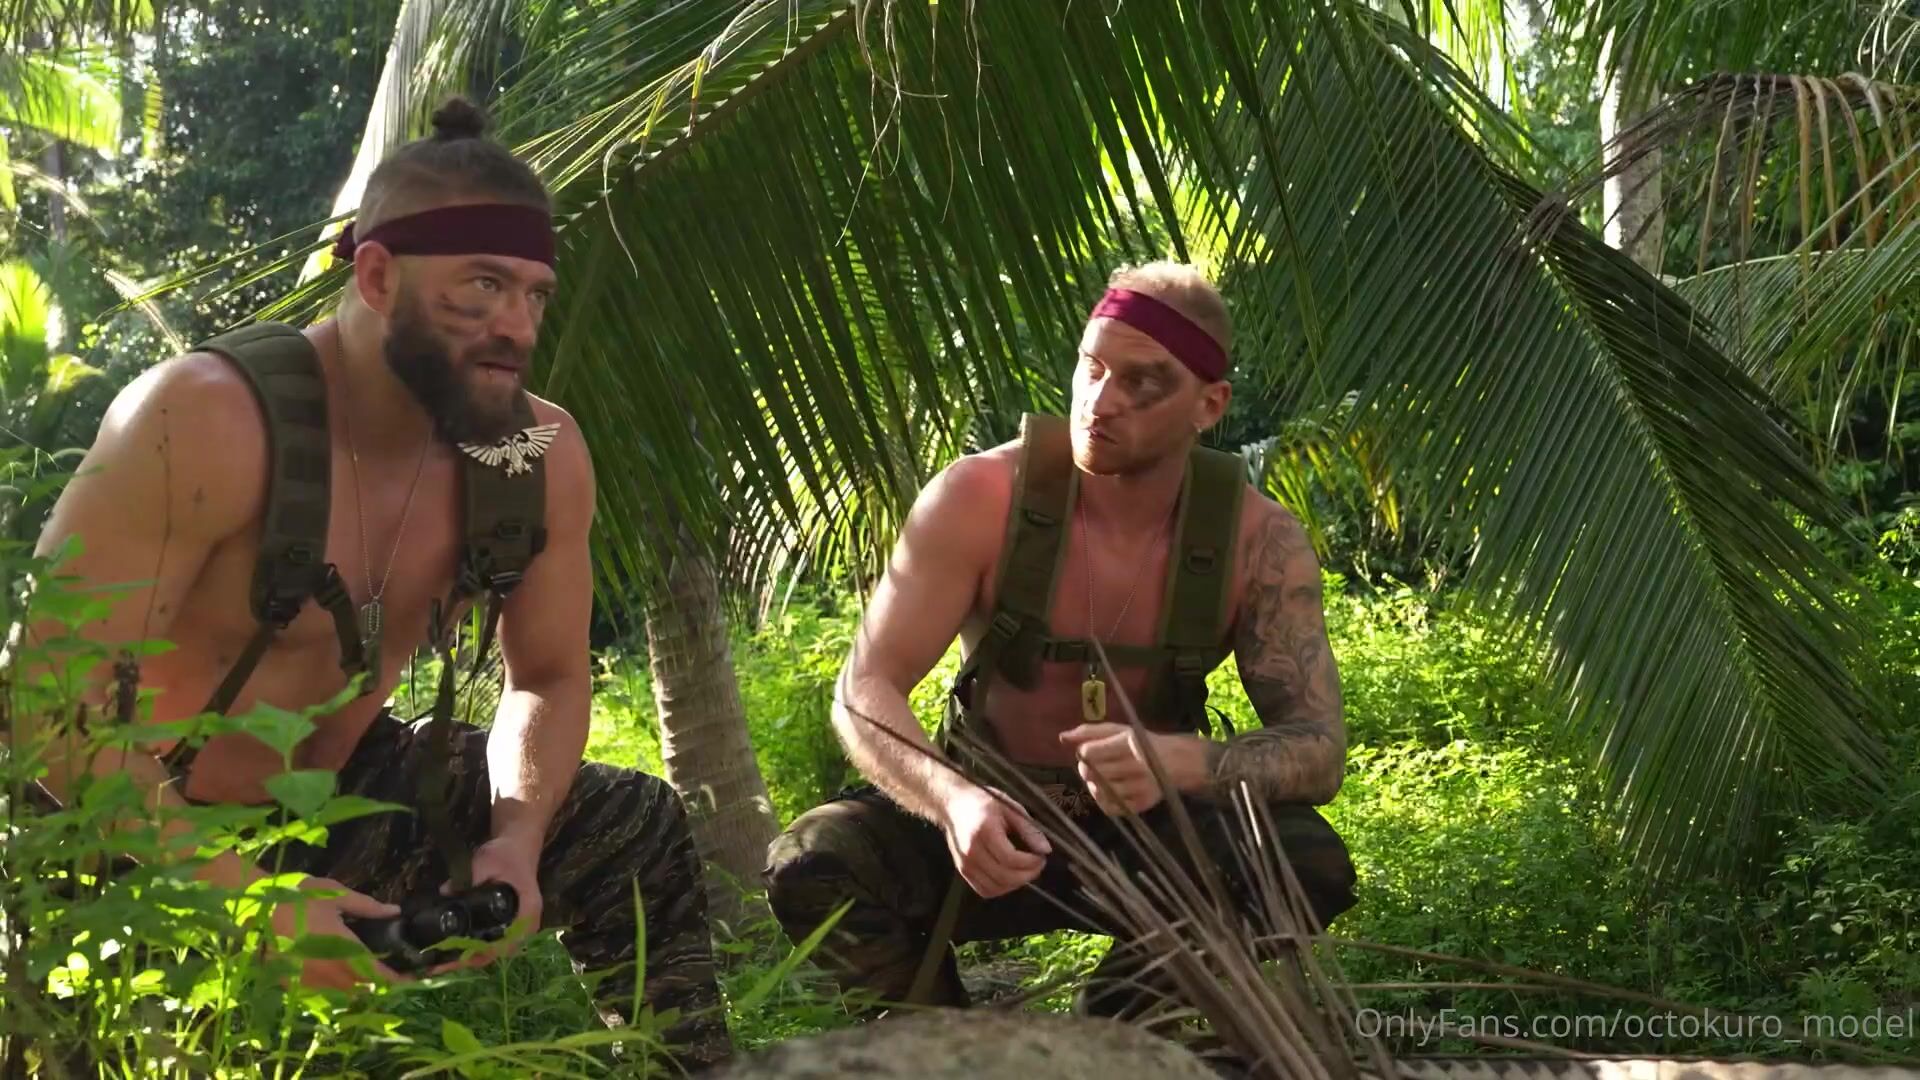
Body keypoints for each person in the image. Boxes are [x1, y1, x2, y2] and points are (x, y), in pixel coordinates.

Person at [12, 97, 732, 1069]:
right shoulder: (205, 417)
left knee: (628, 824)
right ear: (380, 276)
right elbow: (48, 705)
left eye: (534, 295)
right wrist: (247, 900)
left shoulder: (534, 453)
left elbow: (550, 678)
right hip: (118, 825)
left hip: (333, 800)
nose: (515, 326)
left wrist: (516, 841)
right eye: (482, 286)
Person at [762, 260, 1358, 1024]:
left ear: (1209, 405)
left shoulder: (1257, 540)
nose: (1099, 402)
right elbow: (864, 686)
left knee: (1306, 860)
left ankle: (1115, 1034)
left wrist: (1178, 762)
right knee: (814, 861)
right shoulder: (980, 498)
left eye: (1142, 383)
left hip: (1152, 839)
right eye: (1092, 367)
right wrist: (954, 802)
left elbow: (1318, 749)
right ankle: (940, 1050)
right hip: (984, 825)